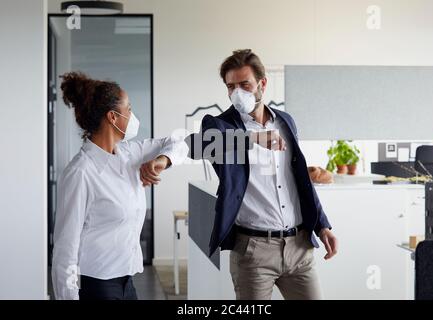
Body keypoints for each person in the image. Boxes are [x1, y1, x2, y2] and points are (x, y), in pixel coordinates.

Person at [182, 49, 337, 300]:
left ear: (262, 84)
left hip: (299, 248)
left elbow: (297, 181)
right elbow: (197, 146)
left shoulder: (285, 121)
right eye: (231, 86)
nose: (237, 93)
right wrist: (253, 138)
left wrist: (322, 225)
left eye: (245, 84)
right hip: (254, 252)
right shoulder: (219, 124)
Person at [52, 72, 188, 300]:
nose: (133, 115)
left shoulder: (128, 153)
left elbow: (178, 142)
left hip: (126, 282)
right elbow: (65, 250)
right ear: (113, 117)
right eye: (129, 109)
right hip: (96, 286)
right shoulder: (81, 172)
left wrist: (161, 161)